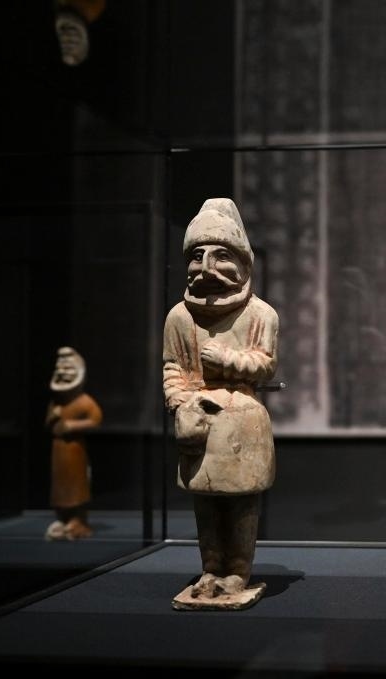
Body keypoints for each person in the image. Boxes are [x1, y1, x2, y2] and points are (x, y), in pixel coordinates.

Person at [163, 198, 280, 609]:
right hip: (196, 422)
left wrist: (227, 360)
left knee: (243, 503)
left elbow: (264, 363)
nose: (206, 266)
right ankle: (210, 569)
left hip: (243, 419)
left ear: (243, 262)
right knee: (205, 504)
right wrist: (180, 400)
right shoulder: (179, 317)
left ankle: (238, 572)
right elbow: (173, 367)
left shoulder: (261, 314)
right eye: (197, 256)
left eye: (221, 255)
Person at [44, 346, 102, 541]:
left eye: (67, 369)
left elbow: (95, 420)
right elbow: (48, 424)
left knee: (77, 487)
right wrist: (53, 417)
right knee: (60, 488)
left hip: (75, 451)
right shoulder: (56, 402)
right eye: (59, 369)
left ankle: (79, 521)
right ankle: (63, 519)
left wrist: (71, 425)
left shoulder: (84, 401)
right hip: (58, 452)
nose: (61, 373)